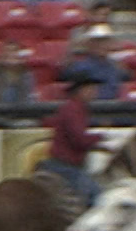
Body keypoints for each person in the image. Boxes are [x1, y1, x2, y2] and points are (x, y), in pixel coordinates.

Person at [37, 77, 111, 210]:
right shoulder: (74, 109)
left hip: (60, 164)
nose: (95, 92)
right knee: (97, 196)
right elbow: (79, 139)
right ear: (81, 91)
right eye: (91, 89)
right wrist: (101, 138)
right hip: (66, 166)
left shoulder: (72, 108)